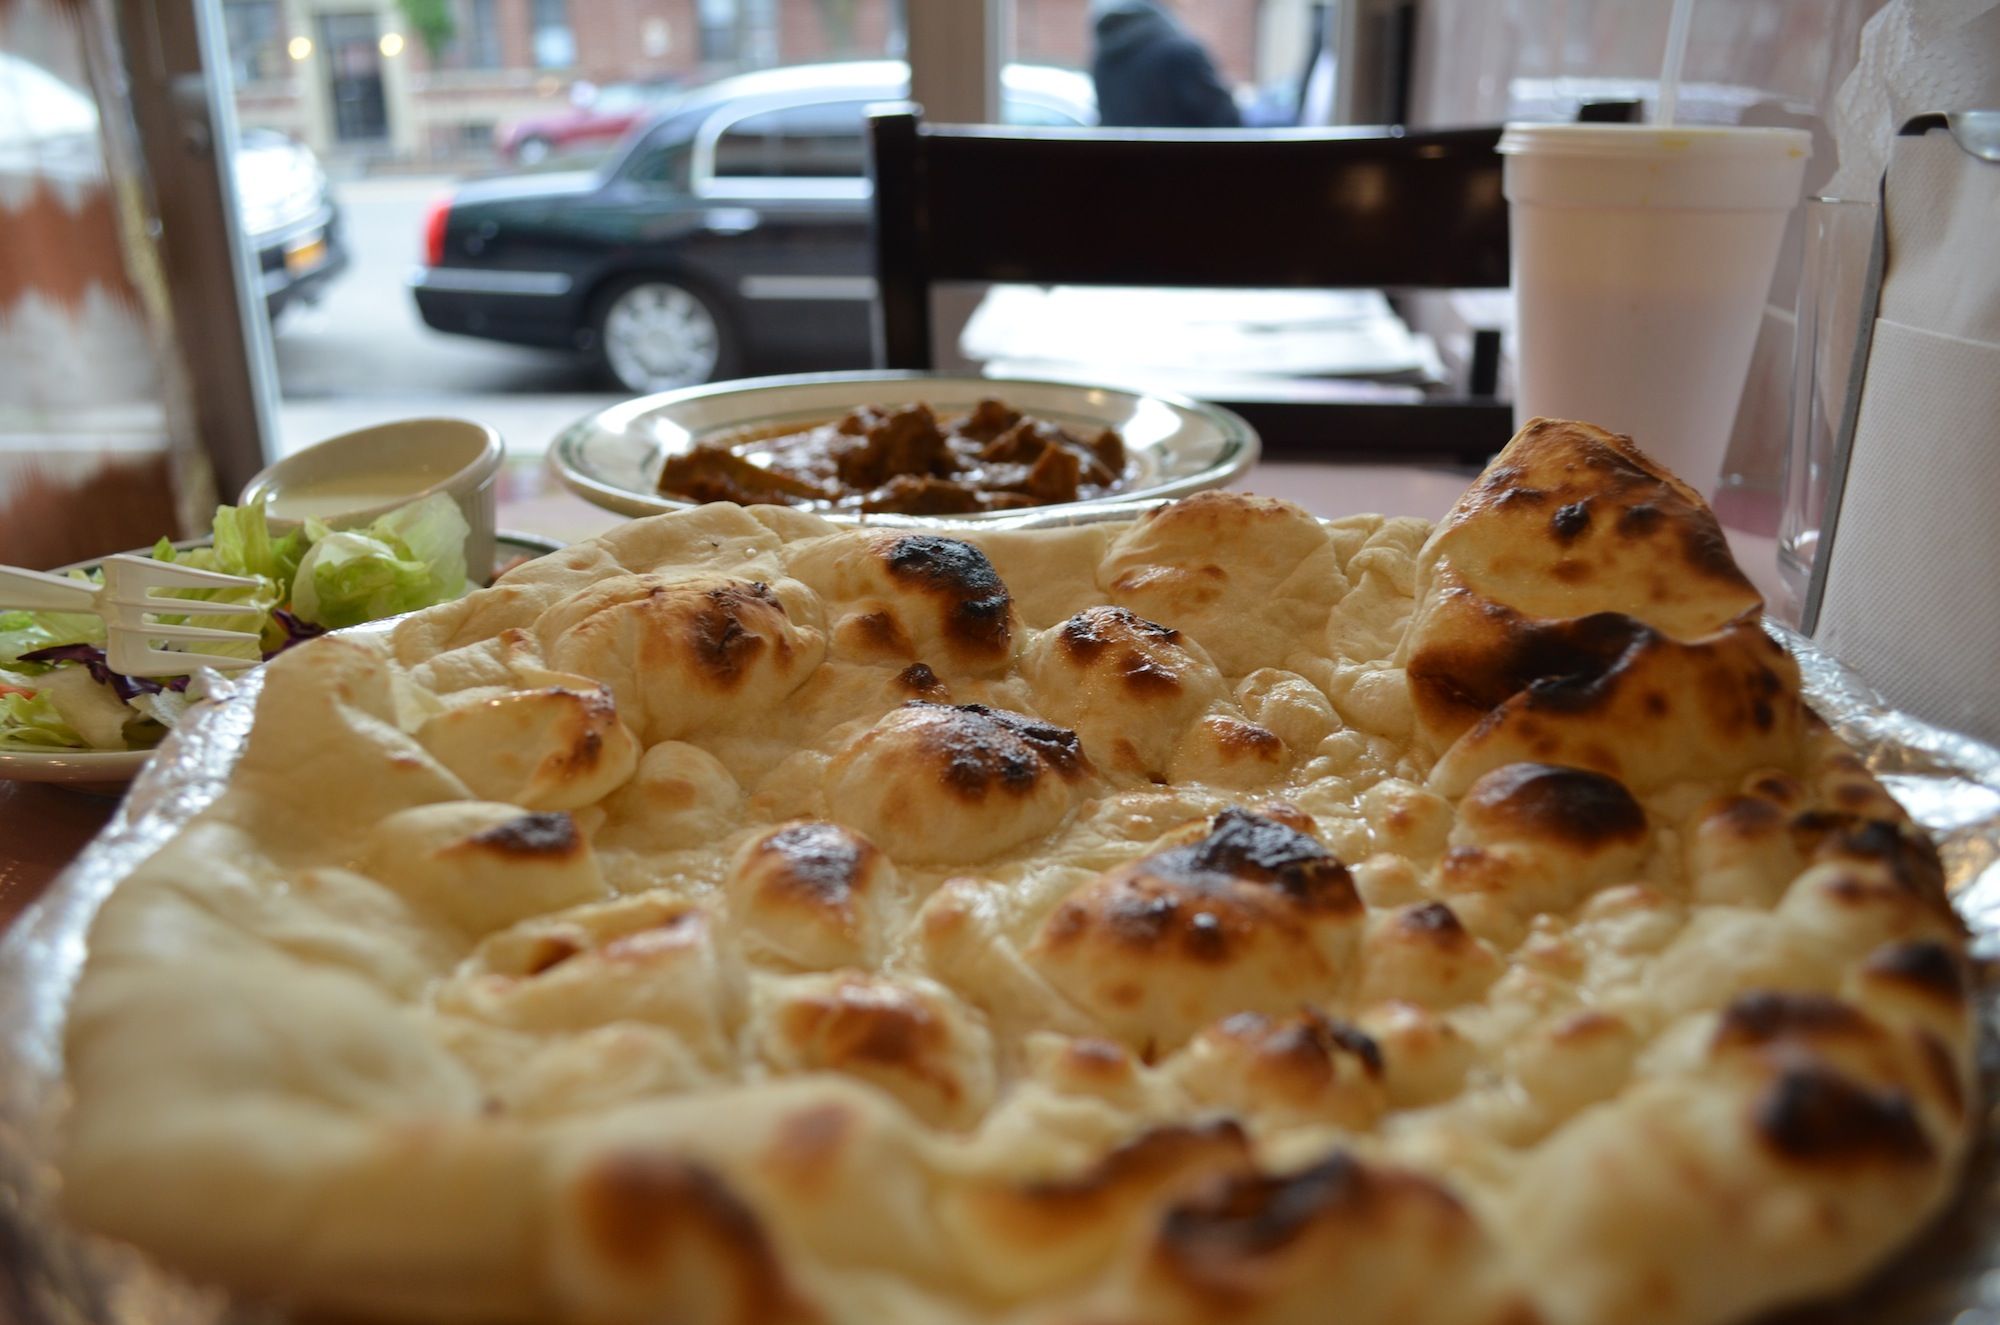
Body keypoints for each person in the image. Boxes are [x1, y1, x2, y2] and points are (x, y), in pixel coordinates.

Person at [1089, 0, 1242, 129]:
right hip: (1180, 160)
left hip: (1118, 161)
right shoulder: (1181, 52)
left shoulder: (1104, 56)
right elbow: (1223, 116)